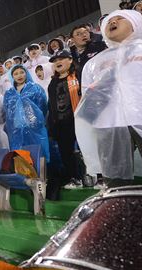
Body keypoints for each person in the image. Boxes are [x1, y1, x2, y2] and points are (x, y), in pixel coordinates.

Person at [75, 10, 142, 187]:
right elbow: (88, 95)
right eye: (109, 21)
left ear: (136, 23)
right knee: (115, 178)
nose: (113, 22)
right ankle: (120, 211)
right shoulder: (93, 63)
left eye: (119, 18)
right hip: (110, 123)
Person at [46, 50, 85, 197]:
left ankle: (95, 177)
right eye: (55, 60)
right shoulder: (52, 82)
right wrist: (52, 125)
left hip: (79, 119)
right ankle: (74, 178)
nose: (57, 62)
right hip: (61, 123)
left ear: (70, 60)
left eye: (61, 59)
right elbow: (51, 106)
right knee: (66, 152)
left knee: (85, 149)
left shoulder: (78, 75)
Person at [3, 65, 50, 161]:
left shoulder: (35, 88)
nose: (19, 75)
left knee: (38, 154)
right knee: (20, 156)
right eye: (15, 74)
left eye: (22, 72)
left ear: (26, 73)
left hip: (35, 128)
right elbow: (7, 112)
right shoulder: (9, 93)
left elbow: (43, 106)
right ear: (12, 77)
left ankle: (41, 175)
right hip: (16, 129)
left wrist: (37, 122)